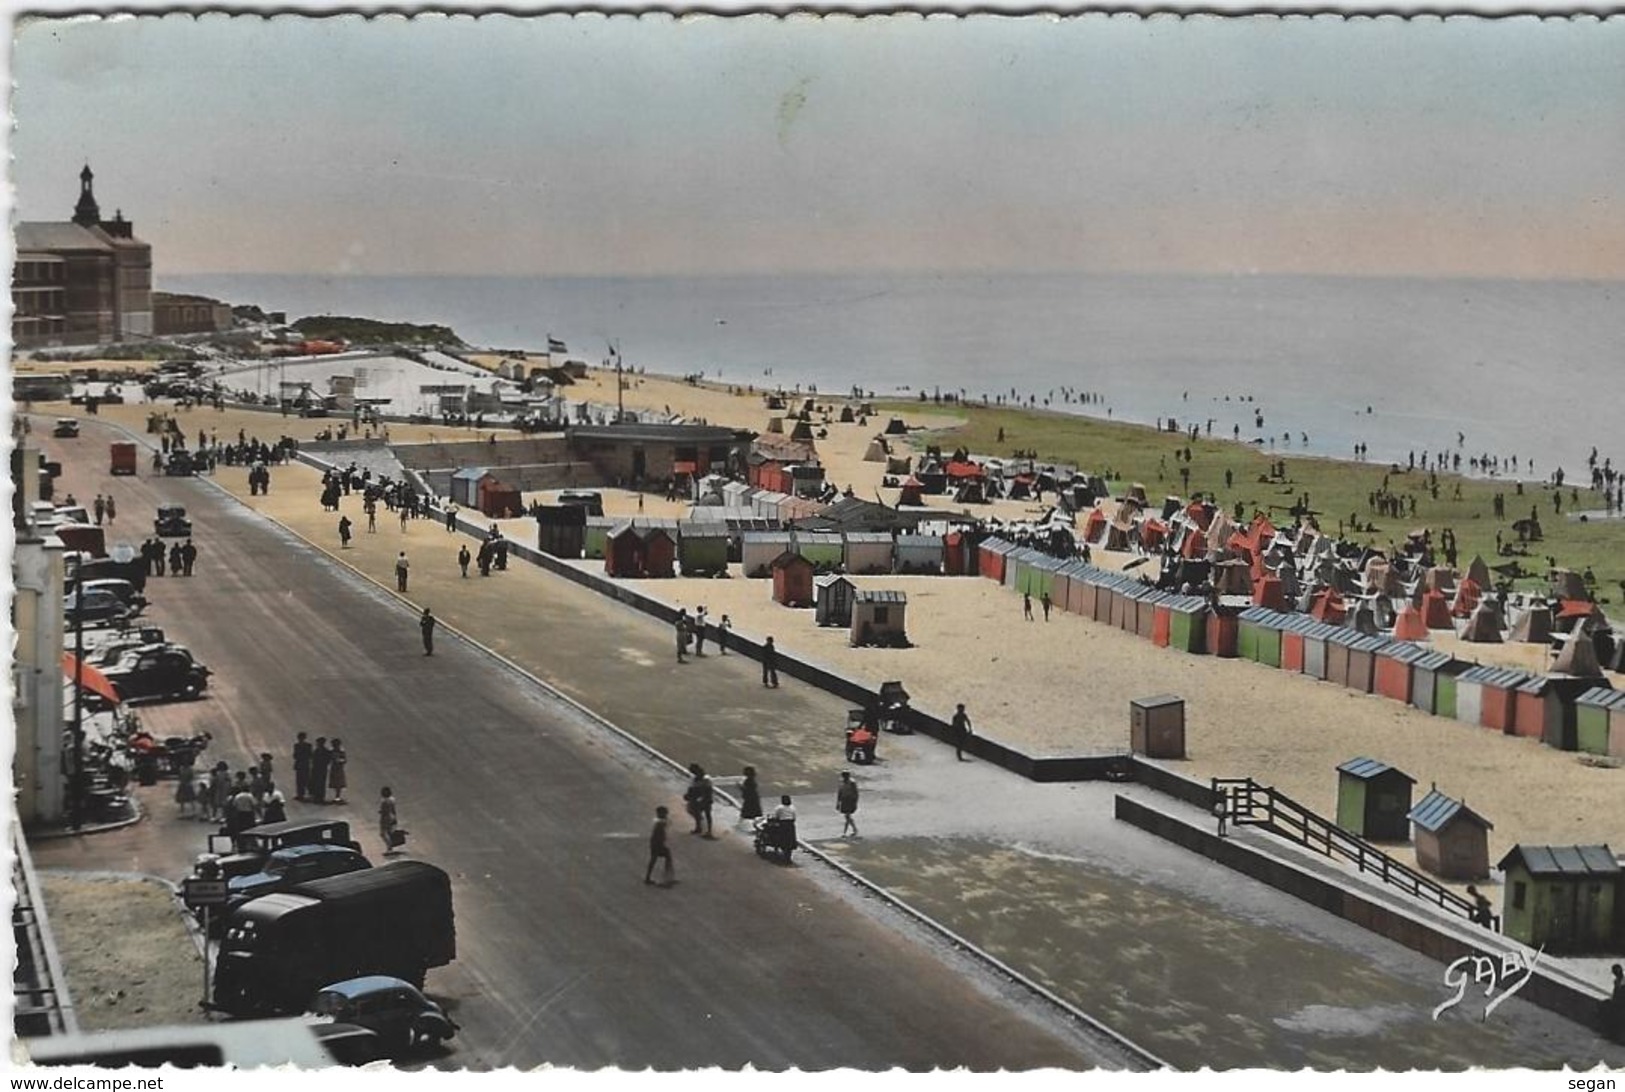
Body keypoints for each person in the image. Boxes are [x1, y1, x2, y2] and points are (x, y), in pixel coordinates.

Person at [645, 805, 675, 886]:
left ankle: (648, 877)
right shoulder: (660, 823)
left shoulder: (658, 821)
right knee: (665, 856)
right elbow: (666, 825)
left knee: (654, 859)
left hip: (655, 843)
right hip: (657, 844)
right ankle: (667, 878)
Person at [684, 763, 714, 837]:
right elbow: (692, 788)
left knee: (707, 814)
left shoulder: (706, 779)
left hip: (705, 798)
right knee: (695, 812)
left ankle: (708, 831)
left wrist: (705, 798)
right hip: (697, 798)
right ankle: (700, 828)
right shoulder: (696, 778)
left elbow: (708, 790)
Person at [836, 771, 860, 838]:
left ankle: (845, 832)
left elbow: (856, 793)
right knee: (847, 816)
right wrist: (838, 802)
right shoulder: (841, 782)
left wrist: (855, 802)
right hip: (844, 800)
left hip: (850, 800)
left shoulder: (852, 782)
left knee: (847, 816)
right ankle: (854, 829)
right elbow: (840, 792)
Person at [379, 786, 401, 856]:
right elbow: (394, 810)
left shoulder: (384, 801)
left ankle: (389, 848)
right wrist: (395, 818)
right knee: (389, 832)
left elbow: (384, 811)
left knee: (383, 833)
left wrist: (381, 814)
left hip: (386, 818)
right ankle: (390, 847)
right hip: (392, 816)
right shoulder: (392, 799)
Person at [309, 737, 331, 805]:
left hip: (322, 769)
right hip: (316, 769)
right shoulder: (316, 751)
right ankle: (316, 796)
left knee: (321, 783)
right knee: (315, 782)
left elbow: (328, 760)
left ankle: (321, 796)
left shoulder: (326, 751)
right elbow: (312, 759)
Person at [292, 732, 312, 801]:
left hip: (304, 764)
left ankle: (307, 793)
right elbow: (295, 755)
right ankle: (300, 794)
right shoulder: (297, 745)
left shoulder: (306, 746)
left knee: (305, 779)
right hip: (302, 764)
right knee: (300, 780)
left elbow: (310, 755)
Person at [328, 739, 348, 804]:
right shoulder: (331, 751)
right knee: (334, 782)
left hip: (339, 768)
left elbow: (345, 760)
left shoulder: (341, 751)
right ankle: (336, 796)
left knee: (339, 783)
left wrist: (339, 761)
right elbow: (329, 759)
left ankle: (337, 796)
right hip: (334, 768)